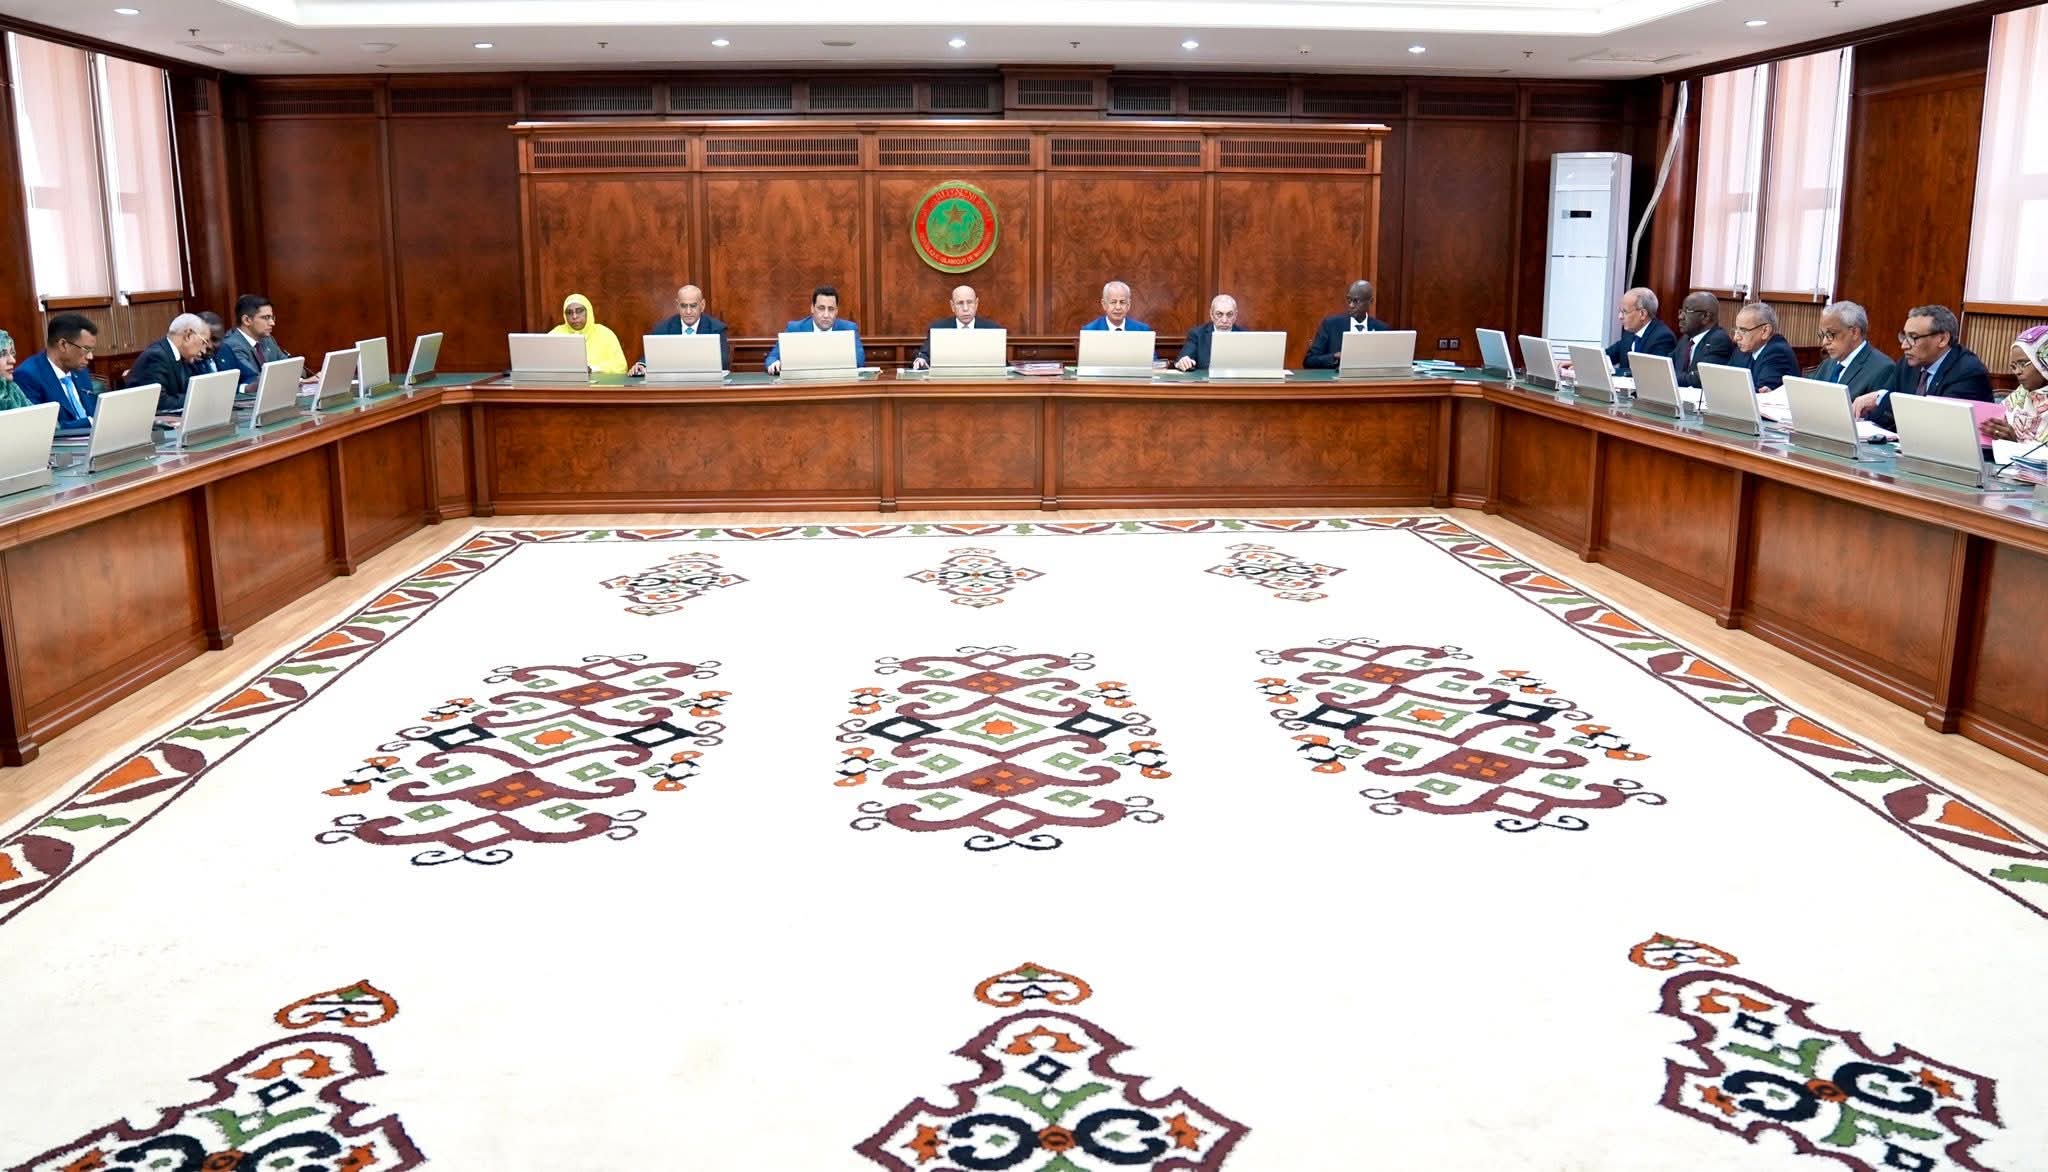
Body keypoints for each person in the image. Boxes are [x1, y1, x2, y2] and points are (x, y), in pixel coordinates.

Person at [1853, 305, 1994, 430]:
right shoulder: (1907, 365)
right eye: (1904, 336)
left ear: (1942, 339)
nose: (1904, 346)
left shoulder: (1968, 372)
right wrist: (1881, 401)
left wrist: (1883, 399)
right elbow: (1882, 416)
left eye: (1913, 337)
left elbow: (1936, 424)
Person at [15, 313, 101, 427]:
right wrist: (90, 422)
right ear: (63, 345)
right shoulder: (28, 376)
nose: (90, 357)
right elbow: (42, 428)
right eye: (86, 349)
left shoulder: (80, 371)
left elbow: (93, 412)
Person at [766, 285, 864, 374]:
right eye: (821, 308)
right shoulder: (795, 328)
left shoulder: (849, 329)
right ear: (812, 308)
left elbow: (859, 361)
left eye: (831, 309)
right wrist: (774, 363)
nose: (826, 315)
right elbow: (772, 357)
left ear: (837, 311)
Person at [632, 284, 728, 375]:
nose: (688, 311)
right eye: (683, 306)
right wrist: (641, 365)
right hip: (672, 382)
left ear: (702, 305)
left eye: (693, 306)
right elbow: (650, 357)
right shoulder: (662, 328)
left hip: (705, 382)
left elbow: (723, 362)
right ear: (677, 305)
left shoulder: (716, 329)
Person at [124, 313, 210, 413]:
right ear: (188, 336)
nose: (204, 351)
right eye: (204, 342)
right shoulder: (156, 356)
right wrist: (197, 399)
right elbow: (159, 402)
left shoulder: (185, 358)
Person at [1812, 300, 1894, 396]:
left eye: (1831, 334)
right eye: (1823, 335)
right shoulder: (1827, 364)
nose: (1824, 342)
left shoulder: (1883, 369)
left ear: (1854, 333)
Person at [1982, 325, 2048, 444]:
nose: (2017, 371)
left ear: (2044, 360)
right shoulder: (2020, 395)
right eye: (2014, 366)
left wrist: (2014, 444)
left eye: (2023, 364)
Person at [1303, 280, 1391, 368]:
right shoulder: (1331, 325)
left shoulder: (1382, 329)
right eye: (1349, 300)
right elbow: (1309, 361)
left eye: (1356, 301)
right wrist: (1334, 357)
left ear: (1370, 301)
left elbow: (1388, 363)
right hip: (1337, 376)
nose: (1351, 305)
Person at [913, 285, 1003, 369]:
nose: (965, 308)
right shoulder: (938, 328)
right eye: (960, 303)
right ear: (952, 306)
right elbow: (924, 354)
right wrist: (921, 359)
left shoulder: (992, 329)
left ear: (976, 304)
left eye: (969, 302)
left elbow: (1002, 363)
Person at [218, 294, 293, 387]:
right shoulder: (231, 345)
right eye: (266, 318)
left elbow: (291, 367)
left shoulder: (267, 340)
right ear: (246, 320)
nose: (272, 323)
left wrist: (300, 379)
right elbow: (254, 379)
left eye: (272, 317)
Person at [1602, 287, 1676, 375]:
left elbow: (1650, 373)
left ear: (1642, 314)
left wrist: (1614, 371)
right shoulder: (1629, 333)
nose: (1620, 316)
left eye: (1625, 311)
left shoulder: (1663, 337)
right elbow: (1606, 356)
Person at [550, 293, 628, 375]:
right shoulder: (556, 334)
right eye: (569, 312)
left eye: (579, 311)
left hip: (600, 382)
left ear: (588, 312)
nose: (574, 316)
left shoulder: (605, 333)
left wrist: (592, 369)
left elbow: (621, 366)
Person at [1728, 301, 1798, 391]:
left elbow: (1761, 393)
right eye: (1736, 330)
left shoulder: (1777, 353)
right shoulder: (1743, 350)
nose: (1736, 338)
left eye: (1743, 331)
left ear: (1765, 331)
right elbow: (1727, 380)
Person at [1671, 291, 1734, 387]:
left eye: (1687, 311)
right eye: (1681, 311)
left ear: (1705, 317)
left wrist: (1669, 377)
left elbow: (1701, 378)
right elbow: (1668, 364)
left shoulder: (1719, 340)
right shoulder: (1686, 339)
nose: (1680, 317)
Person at [1175, 294, 1242, 371]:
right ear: (1211, 314)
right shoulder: (1197, 335)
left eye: (1229, 314)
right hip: (1205, 378)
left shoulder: (1244, 336)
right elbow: (1182, 359)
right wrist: (1183, 362)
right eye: (1219, 314)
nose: (1224, 320)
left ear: (1235, 315)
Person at [1080, 281, 1151, 332]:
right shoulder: (1090, 330)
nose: (1118, 307)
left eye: (1122, 302)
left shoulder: (1142, 330)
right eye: (1113, 302)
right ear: (1104, 304)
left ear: (1128, 305)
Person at [187, 312, 230, 377]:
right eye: (203, 340)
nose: (209, 345)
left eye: (215, 340)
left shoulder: (225, 350)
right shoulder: (185, 362)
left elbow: (246, 376)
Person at [0, 330, 33, 411]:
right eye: (3, 354)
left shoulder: (11, 388)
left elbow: (35, 414)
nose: (13, 360)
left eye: (12, 353)